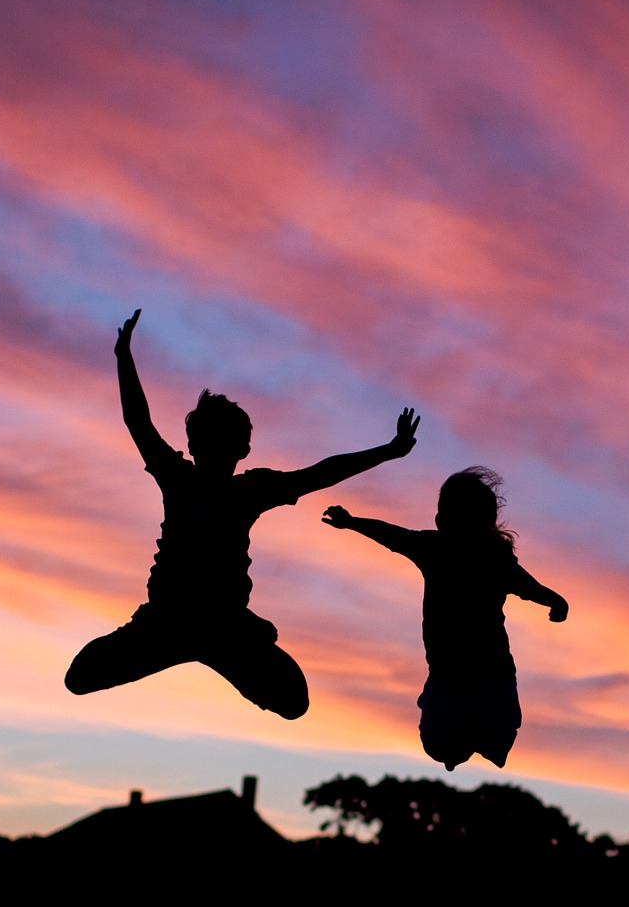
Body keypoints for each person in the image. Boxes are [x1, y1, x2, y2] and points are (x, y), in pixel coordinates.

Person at [65, 309, 418, 717]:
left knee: (293, 703)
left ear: (237, 450)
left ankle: (205, 647)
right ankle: (188, 649)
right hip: (169, 623)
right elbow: (138, 423)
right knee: (79, 679)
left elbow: (321, 473)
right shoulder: (192, 480)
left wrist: (388, 451)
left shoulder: (230, 485)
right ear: (202, 446)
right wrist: (123, 358)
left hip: (220, 626)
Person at [322, 468, 567, 770]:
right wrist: (352, 523)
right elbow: (391, 535)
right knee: (444, 744)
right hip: (453, 675)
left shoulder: (486, 556)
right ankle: (466, 744)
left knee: (489, 737)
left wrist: (554, 600)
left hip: (486, 674)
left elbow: (527, 585)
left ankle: (483, 741)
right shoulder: (438, 548)